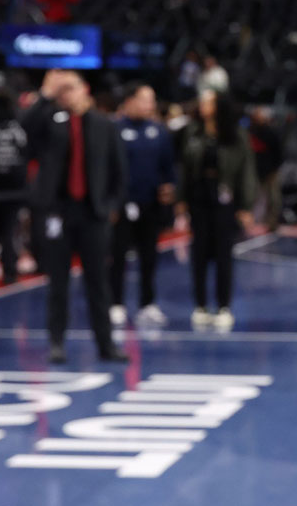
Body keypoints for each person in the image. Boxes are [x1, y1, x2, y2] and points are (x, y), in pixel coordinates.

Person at [22, 69, 128, 364]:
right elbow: (24, 129)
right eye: (62, 89)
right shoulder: (50, 121)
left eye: (71, 88)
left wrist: (110, 205)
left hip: (92, 212)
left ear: (85, 90)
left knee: (98, 282)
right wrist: (45, 95)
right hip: (59, 211)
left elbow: (118, 170)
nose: (66, 94)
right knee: (58, 282)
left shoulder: (104, 124)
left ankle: (106, 344)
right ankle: (56, 342)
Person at [178, 90, 256, 333]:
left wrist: (245, 205)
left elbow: (246, 170)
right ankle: (200, 305)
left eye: (208, 101)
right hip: (198, 197)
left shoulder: (236, 134)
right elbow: (184, 167)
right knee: (199, 254)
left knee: (224, 254)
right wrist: (181, 198)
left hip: (225, 199)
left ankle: (224, 306)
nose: (203, 105)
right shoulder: (193, 131)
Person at [111, 83, 177, 327]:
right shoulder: (115, 129)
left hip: (150, 204)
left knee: (149, 257)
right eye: (145, 99)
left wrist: (170, 187)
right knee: (118, 256)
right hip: (122, 205)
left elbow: (168, 167)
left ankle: (147, 303)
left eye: (152, 100)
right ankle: (115, 303)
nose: (150, 105)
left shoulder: (158, 131)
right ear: (130, 100)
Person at [0, 90, 30, 281]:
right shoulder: (19, 126)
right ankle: (10, 272)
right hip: (13, 190)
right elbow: (27, 153)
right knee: (9, 232)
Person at [247, 107, 286, 228]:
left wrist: (274, 168)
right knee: (250, 196)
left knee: (273, 198)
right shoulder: (250, 132)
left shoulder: (271, 133)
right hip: (253, 170)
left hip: (270, 171)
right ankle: (249, 221)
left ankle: (272, 222)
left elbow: (279, 153)